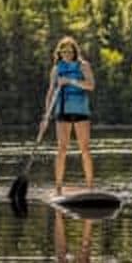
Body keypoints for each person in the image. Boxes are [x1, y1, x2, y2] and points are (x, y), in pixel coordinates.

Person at [42, 36, 95, 195]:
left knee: (84, 149)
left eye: (70, 51)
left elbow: (91, 86)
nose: (67, 54)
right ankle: (58, 188)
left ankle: (90, 186)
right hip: (62, 111)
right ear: (59, 53)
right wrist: (46, 116)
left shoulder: (83, 66)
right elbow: (51, 91)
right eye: (64, 51)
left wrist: (71, 81)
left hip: (81, 111)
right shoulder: (56, 68)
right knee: (62, 149)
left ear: (74, 51)